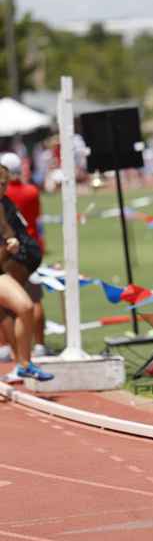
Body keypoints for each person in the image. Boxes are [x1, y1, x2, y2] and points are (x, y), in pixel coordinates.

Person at [0, 164, 54, 383]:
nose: (2, 188)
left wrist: (11, 243)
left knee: (25, 307)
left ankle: (24, 364)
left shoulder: (3, 205)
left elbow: (9, 232)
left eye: (4, 184)